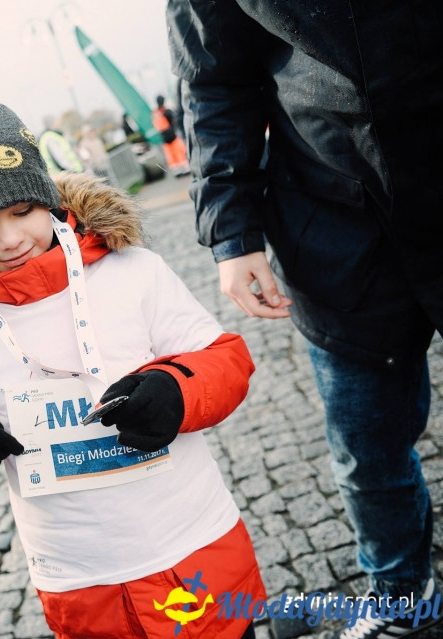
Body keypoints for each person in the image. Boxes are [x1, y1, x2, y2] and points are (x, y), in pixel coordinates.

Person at [0, 74, 264, 639]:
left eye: (24, 210)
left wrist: (176, 392)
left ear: (48, 198)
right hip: (81, 573)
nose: (10, 239)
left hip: (188, 537)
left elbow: (225, 359)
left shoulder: (132, 271)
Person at [167, 3, 443, 637]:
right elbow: (213, 79)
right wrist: (232, 233)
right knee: (367, 442)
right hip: (334, 220)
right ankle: (403, 597)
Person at [151, 95, 189, 176]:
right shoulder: (167, 111)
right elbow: (175, 121)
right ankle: (185, 168)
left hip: (164, 138)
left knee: (171, 156)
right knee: (179, 152)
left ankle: (176, 170)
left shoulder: (155, 114)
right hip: (173, 136)